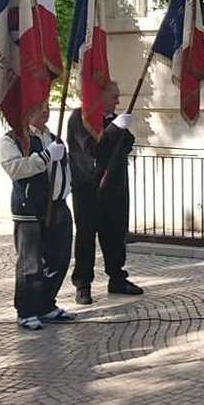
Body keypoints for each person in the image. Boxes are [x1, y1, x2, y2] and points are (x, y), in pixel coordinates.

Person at [0, 101, 75, 330]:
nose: (45, 111)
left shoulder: (53, 137)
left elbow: (64, 170)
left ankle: (46, 304)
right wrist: (45, 157)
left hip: (58, 206)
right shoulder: (12, 139)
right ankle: (27, 310)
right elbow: (16, 169)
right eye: (38, 106)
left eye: (47, 106)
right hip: (30, 208)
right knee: (30, 263)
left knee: (59, 258)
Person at [68, 81, 143, 305]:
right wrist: (114, 129)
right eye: (114, 96)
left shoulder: (113, 120)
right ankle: (83, 284)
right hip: (88, 189)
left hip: (115, 188)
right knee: (86, 237)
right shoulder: (80, 118)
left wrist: (117, 129)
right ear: (99, 96)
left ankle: (117, 278)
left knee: (116, 235)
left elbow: (127, 143)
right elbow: (92, 149)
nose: (118, 101)